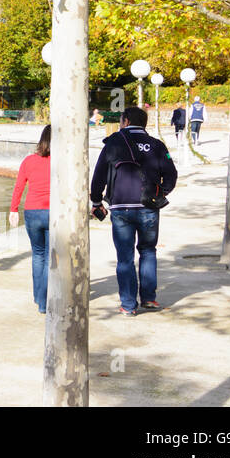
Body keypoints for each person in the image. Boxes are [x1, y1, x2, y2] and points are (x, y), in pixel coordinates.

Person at [90, 106, 178, 315]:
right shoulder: (156, 145)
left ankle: (128, 305)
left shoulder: (113, 142)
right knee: (148, 251)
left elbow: (99, 174)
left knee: (125, 257)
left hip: (121, 207)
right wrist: (160, 193)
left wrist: (96, 201)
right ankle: (149, 298)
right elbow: (172, 174)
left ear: (126, 121)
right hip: (149, 206)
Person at [9, 125, 51, 314]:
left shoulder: (29, 160)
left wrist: (13, 209)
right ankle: (44, 301)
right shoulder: (61, 161)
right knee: (50, 257)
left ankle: (37, 296)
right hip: (53, 212)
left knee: (38, 255)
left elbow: (19, 186)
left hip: (32, 212)